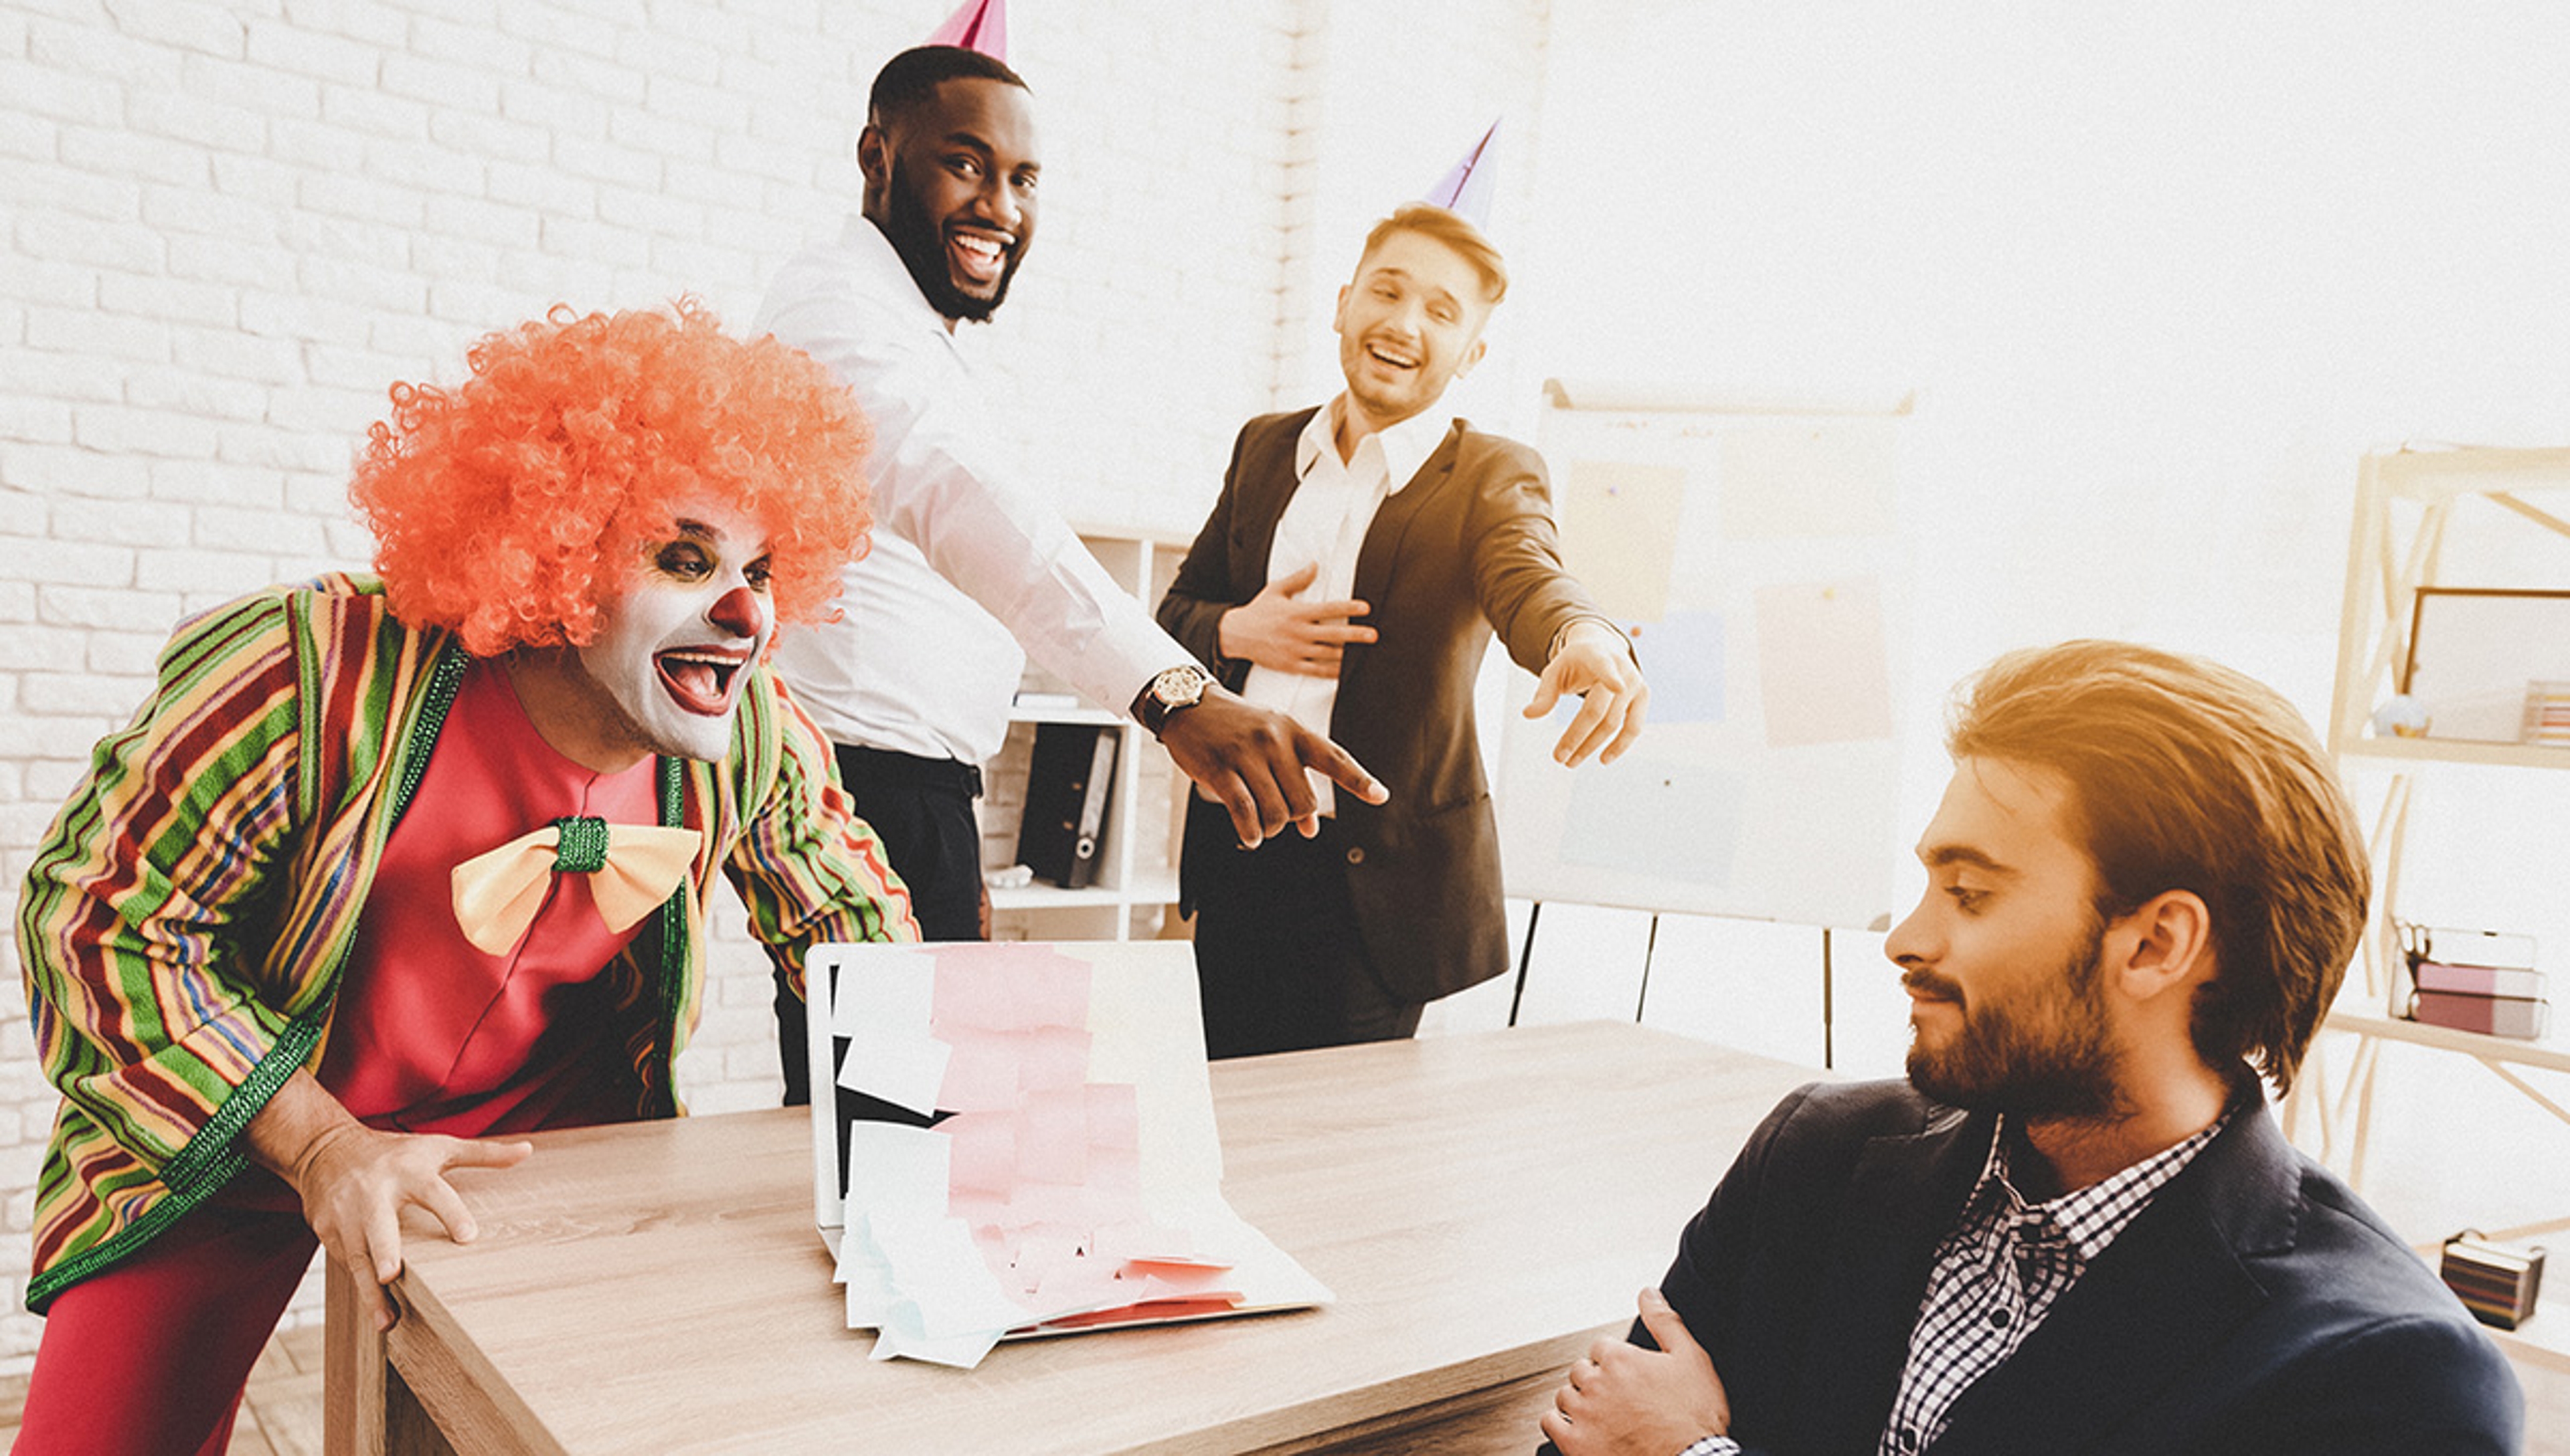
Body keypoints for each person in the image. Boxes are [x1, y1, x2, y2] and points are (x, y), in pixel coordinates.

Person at [10, 302, 916, 1456]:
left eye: (762, 569)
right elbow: (97, 923)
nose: (745, 616)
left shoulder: (757, 733)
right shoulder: (306, 670)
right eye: (684, 558)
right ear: (557, 554)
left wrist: (958, 1152)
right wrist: (323, 1143)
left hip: (522, 1145)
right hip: (236, 1120)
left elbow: (860, 929)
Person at [1538, 640, 2522, 1456]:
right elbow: (1588, 1441)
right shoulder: (1819, 1157)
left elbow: (1642, 1441)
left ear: (2155, 944)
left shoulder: (2389, 1376)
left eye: (1970, 894)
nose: (1906, 940)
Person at [754, 43, 1383, 1099]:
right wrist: (1176, 689)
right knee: (892, 1134)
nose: (1000, 205)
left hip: (916, 790)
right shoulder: (840, 313)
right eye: (965, 165)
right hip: (872, 780)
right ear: (878, 156)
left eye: (1024, 178)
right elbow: (960, 497)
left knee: (898, 1127)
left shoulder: (919, 329)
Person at [1156, 203, 1647, 1059]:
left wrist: (1582, 632)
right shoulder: (1265, 448)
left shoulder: (1492, 472)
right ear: (1343, 302)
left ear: (1472, 356)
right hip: (1238, 848)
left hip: (1371, 889)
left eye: (1442, 312)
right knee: (1220, 1122)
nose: (1404, 323)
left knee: (1340, 1161)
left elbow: (1528, 571)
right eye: (1387, 292)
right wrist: (1240, 630)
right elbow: (1175, 613)